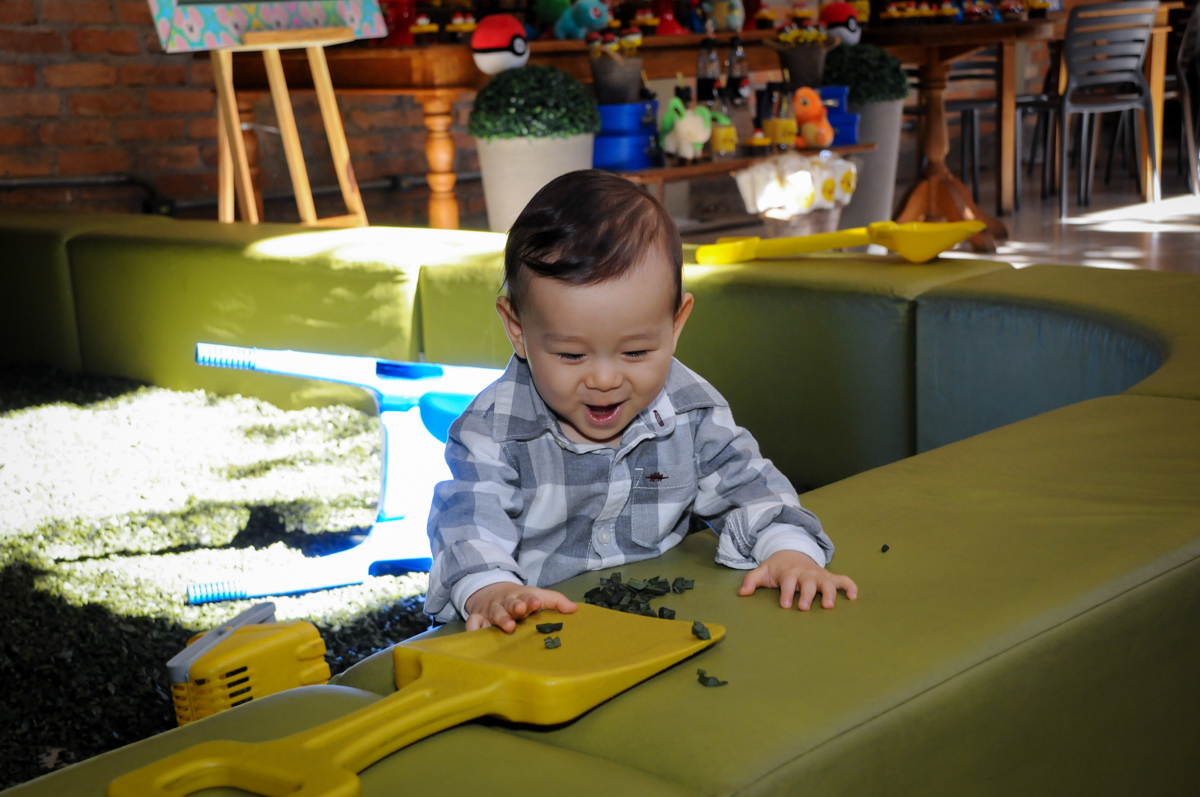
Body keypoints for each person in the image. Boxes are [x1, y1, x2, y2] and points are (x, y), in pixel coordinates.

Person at [425, 170, 857, 631]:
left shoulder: (691, 411)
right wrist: (491, 590)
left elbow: (752, 488)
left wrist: (789, 551)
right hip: (533, 627)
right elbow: (470, 523)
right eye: (572, 354)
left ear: (675, 324)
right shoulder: (494, 430)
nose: (606, 379)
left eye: (636, 352)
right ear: (518, 330)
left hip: (654, 620)